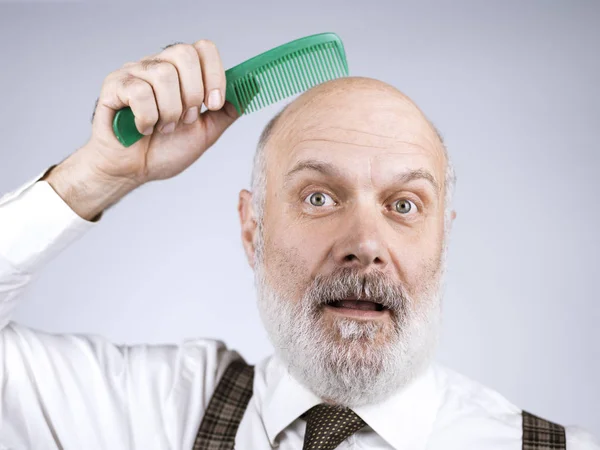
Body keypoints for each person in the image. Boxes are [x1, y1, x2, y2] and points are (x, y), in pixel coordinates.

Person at [0, 38, 597, 450]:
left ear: (443, 240)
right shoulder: (148, 414)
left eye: (404, 205)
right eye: (319, 197)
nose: (365, 244)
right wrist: (98, 176)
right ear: (252, 228)